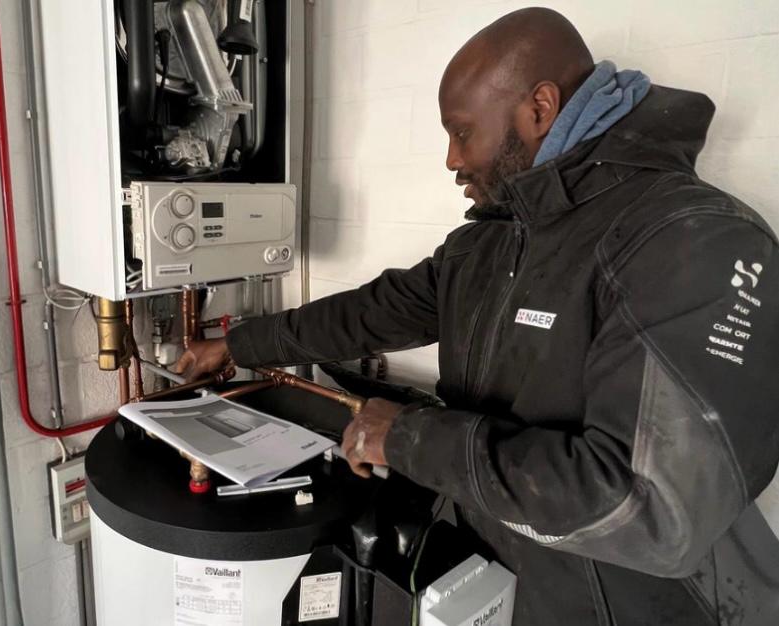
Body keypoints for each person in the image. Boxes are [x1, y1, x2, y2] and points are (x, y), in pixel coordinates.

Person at [176, 7, 779, 625]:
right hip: (513, 589)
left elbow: (651, 510)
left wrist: (408, 437)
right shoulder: (493, 242)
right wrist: (240, 345)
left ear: (539, 108)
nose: (451, 159)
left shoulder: (693, 238)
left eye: (462, 132)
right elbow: (374, 311)